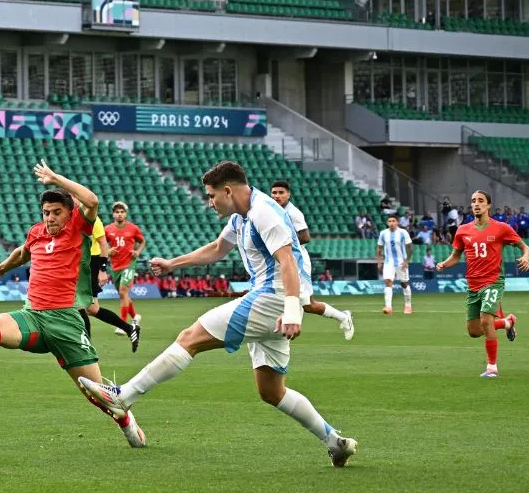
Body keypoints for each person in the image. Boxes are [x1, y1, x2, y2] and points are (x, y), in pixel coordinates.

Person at [78, 162, 356, 466]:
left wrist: (291, 309)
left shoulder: (265, 212)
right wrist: (173, 264)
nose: (210, 202)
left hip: (273, 296)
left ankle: (124, 397)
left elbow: (287, 260)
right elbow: (217, 249)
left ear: (228, 190)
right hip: (271, 297)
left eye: (212, 196)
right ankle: (334, 441)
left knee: (190, 337)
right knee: (271, 390)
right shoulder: (241, 216)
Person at [0, 160, 147, 448]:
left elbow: (91, 200)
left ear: (69, 214)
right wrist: (3, 267)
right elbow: (22, 253)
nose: (50, 218)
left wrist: (54, 178)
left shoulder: (78, 227)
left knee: (98, 393)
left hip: (66, 323)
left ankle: (128, 424)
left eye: (56, 212)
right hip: (34, 318)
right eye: (46, 212)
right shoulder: (37, 232)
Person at [437, 190, 529, 378]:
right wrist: (444, 264)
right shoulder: (463, 230)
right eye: (473, 201)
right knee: (474, 331)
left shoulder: (501, 228)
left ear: (488, 205)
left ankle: (492, 367)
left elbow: (523, 246)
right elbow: (456, 256)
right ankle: (506, 322)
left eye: (480, 201)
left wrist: (525, 256)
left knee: (486, 320)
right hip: (473, 284)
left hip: (493, 281)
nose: (476, 204)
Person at [270, 180, 354, 340]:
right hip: (283, 259)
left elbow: (305, 236)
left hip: (297, 261)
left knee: (307, 304)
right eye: (274, 193)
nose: (277, 196)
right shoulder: (272, 211)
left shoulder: (293, 213)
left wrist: (281, 244)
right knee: (288, 297)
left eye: (281, 193)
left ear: (288, 194)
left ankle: (343, 317)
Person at [77, 199, 140, 351]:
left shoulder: (93, 219)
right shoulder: (72, 217)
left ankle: (86, 346)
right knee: (91, 308)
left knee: (80, 306)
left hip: (90, 264)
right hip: (80, 263)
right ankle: (129, 328)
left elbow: (103, 243)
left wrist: (102, 269)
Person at [104, 201, 145, 335]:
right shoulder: (108, 229)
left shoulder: (133, 228)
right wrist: (108, 250)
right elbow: (101, 243)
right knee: (124, 295)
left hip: (129, 264)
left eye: (122, 212)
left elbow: (142, 241)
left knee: (122, 292)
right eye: (117, 212)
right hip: (115, 266)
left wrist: (137, 252)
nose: (120, 214)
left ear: (125, 214)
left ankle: (122, 325)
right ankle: (135, 317)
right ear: (113, 214)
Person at [377, 215, 413, 315]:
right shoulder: (383, 233)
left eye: (393, 221)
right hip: (388, 262)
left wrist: (406, 261)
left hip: (401, 262)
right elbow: (379, 248)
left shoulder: (403, 232)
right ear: (387, 223)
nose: (391, 223)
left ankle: (408, 305)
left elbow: (410, 247)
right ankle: (388, 307)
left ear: (397, 222)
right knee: (388, 282)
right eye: (389, 221)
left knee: (404, 283)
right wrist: (379, 262)